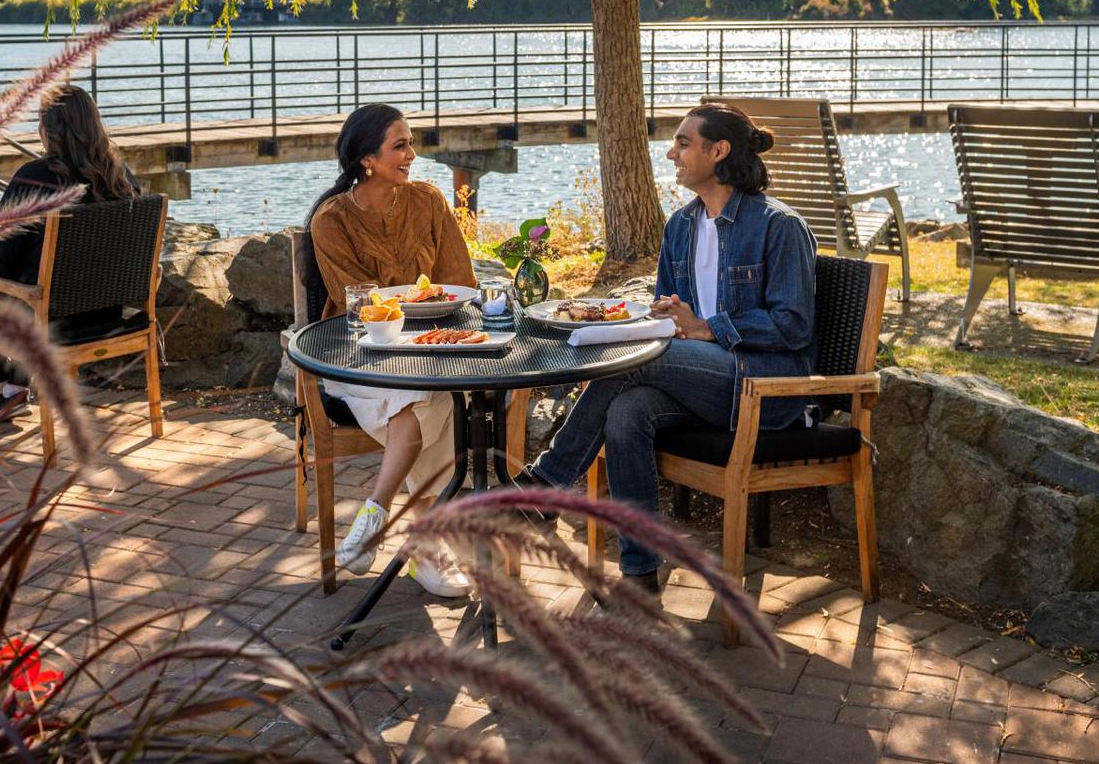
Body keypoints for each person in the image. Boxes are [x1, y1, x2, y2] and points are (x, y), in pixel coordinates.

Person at [515, 102, 816, 592]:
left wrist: (709, 327)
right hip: (699, 381)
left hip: (761, 388)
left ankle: (545, 487)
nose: (671, 153)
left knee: (631, 362)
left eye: (683, 143)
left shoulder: (778, 226)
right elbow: (669, 310)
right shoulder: (680, 225)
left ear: (718, 151)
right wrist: (665, 318)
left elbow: (793, 325)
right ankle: (639, 573)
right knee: (628, 411)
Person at [308, 103, 476, 599]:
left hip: (425, 353)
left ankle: (377, 519)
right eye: (400, 146)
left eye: (411, 143)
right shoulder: (331, 220)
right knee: (434, 399)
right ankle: (423, 547)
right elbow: (359, 306)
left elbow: (458, 282)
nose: (412, 154)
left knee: (431, 393)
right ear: (367, 159)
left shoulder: (428, 202)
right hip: (355, 357)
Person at [0, 84, 140, 424]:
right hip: (107, 315)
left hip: (50, 319)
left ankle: (9, 387)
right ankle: (11, 389)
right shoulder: (120, 177)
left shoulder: (34, 178)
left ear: (48, 129)